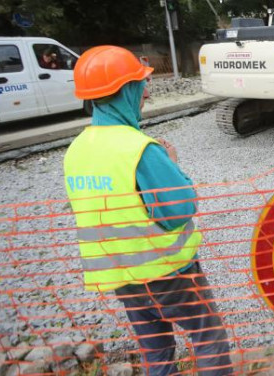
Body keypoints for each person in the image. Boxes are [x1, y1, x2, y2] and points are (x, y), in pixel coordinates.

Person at [63, 46, 232, 376]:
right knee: (208, 339)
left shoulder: (76, 150)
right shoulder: (139, 148)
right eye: (140, 85)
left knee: (157, 352)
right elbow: (181, 208)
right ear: (126, 90)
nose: (145, 93)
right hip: (170, 274)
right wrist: (170, 163)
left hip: (122, 277)